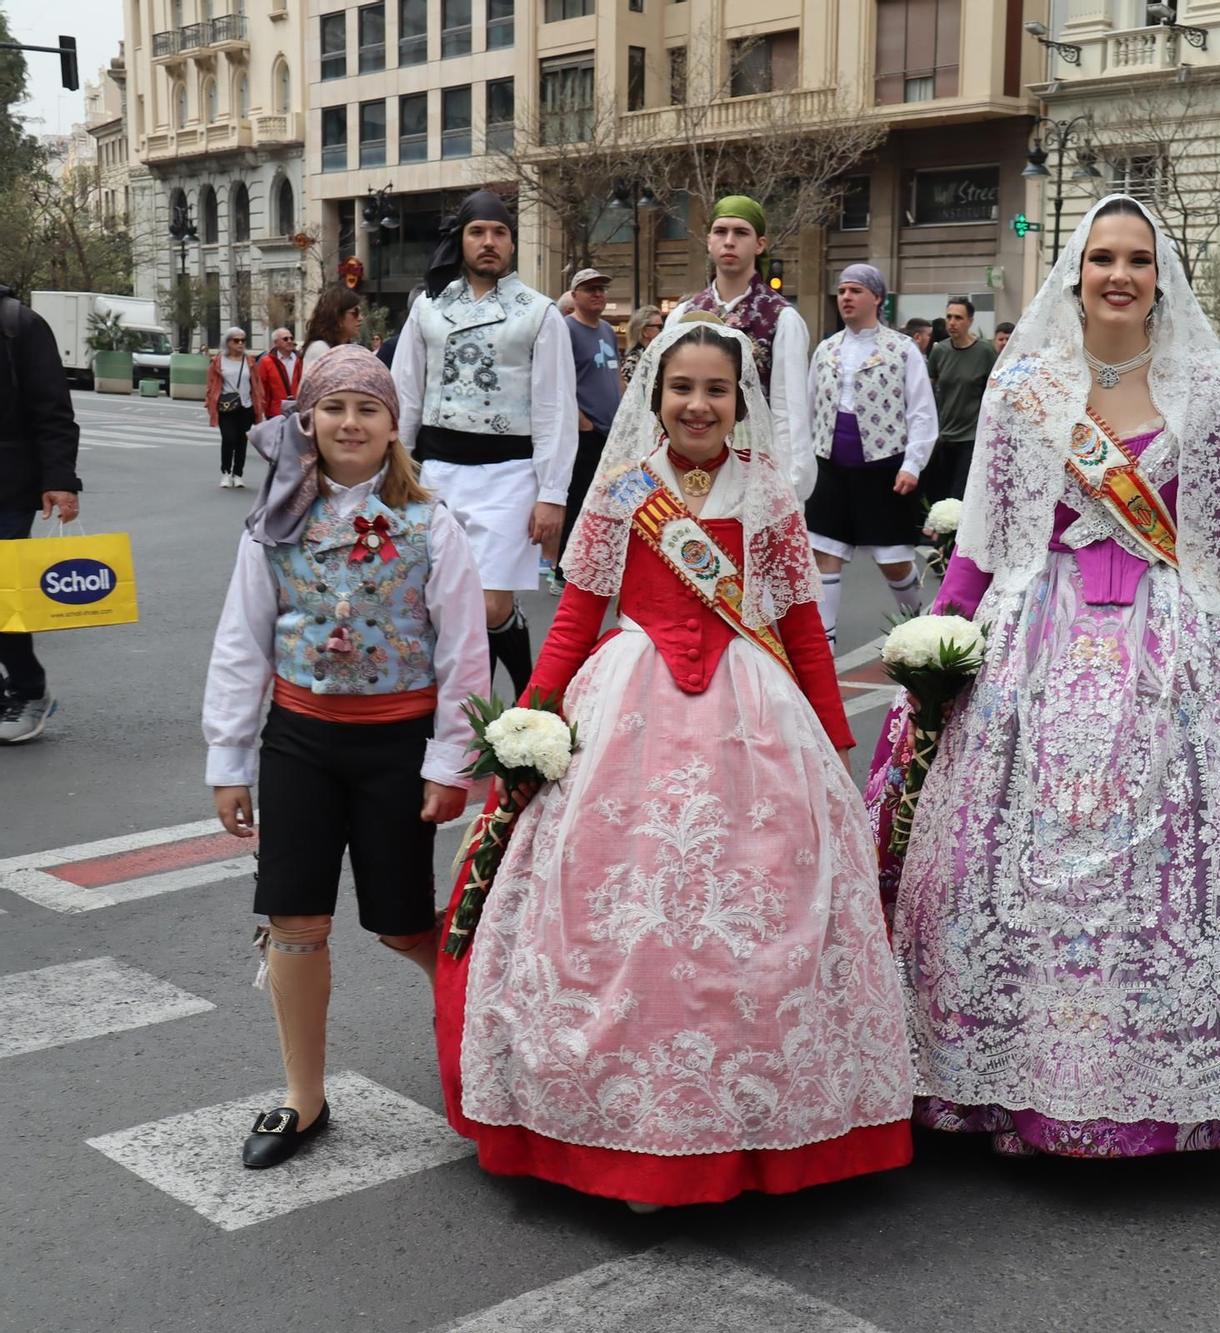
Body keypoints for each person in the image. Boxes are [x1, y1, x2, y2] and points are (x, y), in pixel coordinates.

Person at [865, 195, 1220, 1159]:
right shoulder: (1024, 387)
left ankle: (1168, 1075)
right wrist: (938, 642)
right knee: (1010, 854)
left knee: (1170, 863)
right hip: (1034, 640)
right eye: (1102, 257)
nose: (1119, 274)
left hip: (1174, 650)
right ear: (1073, 273)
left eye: (1138, 259)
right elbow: (986, 541)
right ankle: (1012, 1073)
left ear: (1162, 277)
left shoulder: (1203, 391)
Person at [435, 315, 913, 1209]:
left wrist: (834, 748)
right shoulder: (622, 492)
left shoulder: (769, 491)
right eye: (683, 389)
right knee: (623, 910)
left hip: (752, 715)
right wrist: (530, 728)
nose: (699, 404)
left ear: (741, 403)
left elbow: (804, 627)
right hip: (629, 706)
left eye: (717, 390)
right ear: (655, 398)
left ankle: (752, 1122)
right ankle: (621, 1123)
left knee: (758, 907)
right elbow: (577, 620)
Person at [202, 347, 484, 1168]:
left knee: (403, 923)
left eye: (368, 408)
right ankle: (304, 1096)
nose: (350, 423)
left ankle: (489, 1057)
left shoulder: (435, 523)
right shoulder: (275, 521)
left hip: (397, 746)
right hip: (300, 743)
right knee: (294, 919)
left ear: (394, 424)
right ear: (307, 422)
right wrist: (230, 757)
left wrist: (448, 761)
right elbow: (241, 643)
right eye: (333, 409)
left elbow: (463, 654)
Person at [392, 190, 577, 697]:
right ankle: (464, 709)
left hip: (509, 475)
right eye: (478, 232)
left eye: (498, 233)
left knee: (491, 605)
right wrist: (397, 468)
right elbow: (406, 393)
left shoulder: (539, 314)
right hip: (436, 474)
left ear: (512, 244)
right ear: (463, 240)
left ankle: (520, 698)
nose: (488, 242)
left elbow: (555, 410)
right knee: (442, 603)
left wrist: (552, 493)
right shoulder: (428, 307)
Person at [804, 264, 937, 647]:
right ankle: (823, 645)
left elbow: (922, 411)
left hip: (884, 468)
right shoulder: (826, 350)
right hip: (830, 467)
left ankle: (917, 624)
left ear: (876, 298)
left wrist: (913, 464)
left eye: (856, 290)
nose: (846, 297)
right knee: (824, 554)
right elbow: (810, 407)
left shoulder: (902, 349)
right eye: (842, 290)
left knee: (893, 560)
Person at [679, 196, 814, 502]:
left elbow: (788, 410)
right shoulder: (685, 314)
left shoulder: (781, 318)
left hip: (755, 462)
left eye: (741, 233)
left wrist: (790, 484)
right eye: (720, 232)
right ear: (709, 241)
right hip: (691, 455)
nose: (729, 242)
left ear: (760, 244)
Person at [0, 285, 81, 746]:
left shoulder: (20, 325)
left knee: (3, 596)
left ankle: (31, 691)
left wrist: (61, 481)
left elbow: (53, 411)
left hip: (7, 487)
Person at [561, 267, 622, 557]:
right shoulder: (566, 329)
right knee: (578, 500)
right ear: (574, 296)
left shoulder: (608, 329)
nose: (598, 293)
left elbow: (616, 375)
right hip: (586, 434)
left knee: (606, 501)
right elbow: (558, 381)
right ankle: (564, 567)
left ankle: (597, 559)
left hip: (612, 432)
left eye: (601, 288)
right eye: (590, 289)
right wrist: (581, 421)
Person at [925, 296, 998, 502]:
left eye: (958, 317)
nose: (952, 322)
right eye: (949, 317)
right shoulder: (939, 350)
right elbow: (929, 389)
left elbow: (993, 393)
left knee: (959, 496)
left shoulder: (984, 351)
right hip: (943, 436)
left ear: (970, 321)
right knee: (938, 494)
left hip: (970, 437)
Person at [207, 328, 266, 489]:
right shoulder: (218, 361)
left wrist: (259, 403)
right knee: (229, 439)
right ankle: (226, 473)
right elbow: (211, 384)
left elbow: (257, 383)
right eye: (236, 340)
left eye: (243, 340)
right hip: (226, 406)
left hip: (246, 405)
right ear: (228, 342)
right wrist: (210, 401)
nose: (240, 343)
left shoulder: (250, 361)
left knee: (242, 441)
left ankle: (238, 474)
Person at [301, 288, 363, 372]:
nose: (360, 318)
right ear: (337, 316)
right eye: (355, 312)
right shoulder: (320, 349)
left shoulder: (347, 348)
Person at [255, 327, 302, 418]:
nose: (289, 341)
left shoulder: (300, 360)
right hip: (275, 412)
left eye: (291, 338)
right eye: (285, 339)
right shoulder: (266, 362)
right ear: (276, 343)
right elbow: (262, 389)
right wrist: (263, 410)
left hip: (298, 411)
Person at [620, 307, 665, 387]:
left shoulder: (656, 356)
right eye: (659, 327)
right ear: (645, 331)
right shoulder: (633, 361)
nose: (663, 331)